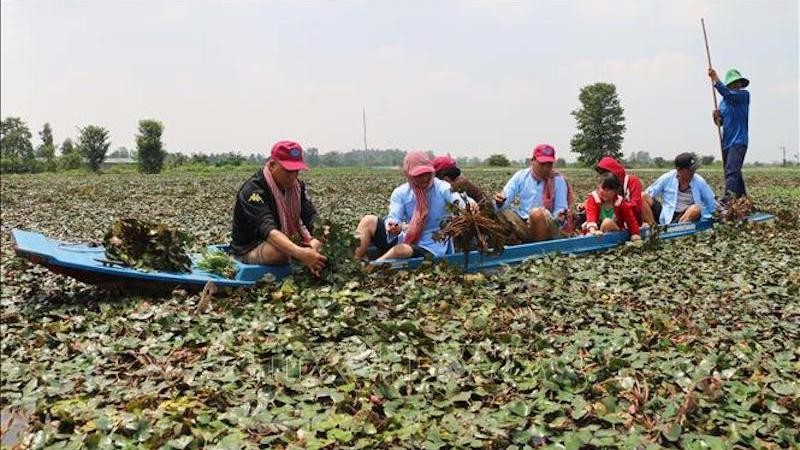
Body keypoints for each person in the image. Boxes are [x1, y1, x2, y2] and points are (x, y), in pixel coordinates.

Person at [354, 151, 474, 260]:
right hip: (407, 237)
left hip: (432, 245)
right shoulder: (401, 193)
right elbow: (394, 216)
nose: (425, 178)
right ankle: (356, 260)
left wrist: (470, 204)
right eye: (419, 175)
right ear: (408, 175)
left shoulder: (442, 187)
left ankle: (372, 268)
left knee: (399, 251)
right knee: (368, 221)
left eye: (427, 173)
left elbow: (457, 199)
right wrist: (392, 226)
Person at [230, 140, 327, 275]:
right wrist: (300, 252)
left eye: (296, 171)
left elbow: (310, 216)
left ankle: (301, 253)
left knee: (322, 241)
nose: (293, 177)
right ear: (272, 165)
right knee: (280, 252)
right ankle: (298, 254)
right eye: (288, 171)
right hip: (252, 247)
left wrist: (324, 233)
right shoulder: (253, 190)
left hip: (285, 239)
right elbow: (268, 230)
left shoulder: (298, 187)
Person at [494, 144, 574, 242]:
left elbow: (560, 207)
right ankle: (517, 239)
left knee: (537, 214)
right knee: (499, 213)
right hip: (525, 222)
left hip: (549, 226)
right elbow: (505, 196)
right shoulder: (521, 176)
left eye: (549, 164)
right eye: (542, 164)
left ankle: (539, 246)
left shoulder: (558, 180)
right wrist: (500, 201)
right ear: (533, 161)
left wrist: (560, 217)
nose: (545, 168)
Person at [709, 67, 750, 199]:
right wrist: (716, 118)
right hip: (726, 143)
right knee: (735, 173)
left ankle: (727, 201)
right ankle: (743, 200)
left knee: (731, 172)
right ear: (730, 84)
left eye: (739, 83)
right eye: (734, 83)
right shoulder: (723, 103)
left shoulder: (743, 95)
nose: (737, 85)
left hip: (739, 141)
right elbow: (721, 123)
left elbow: (727, 93)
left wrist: (715, 79)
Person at [642, 153, 717, 225]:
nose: (693, 172)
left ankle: (678, 229)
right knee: (642, 196)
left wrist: (717, 215)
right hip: (667, 214)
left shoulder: (699, 181)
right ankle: (654, 228)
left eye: (694, 169)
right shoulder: (667, 178)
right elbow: (650, 192)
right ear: (679, 170)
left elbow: (711, 201)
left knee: (696, 208)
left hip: (685, 215)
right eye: (689, 170)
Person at [594, 156, 653, 225]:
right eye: (602, 174)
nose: (604, 176)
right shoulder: (606, 185)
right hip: (623, 217)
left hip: (638, 215)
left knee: (642, 196)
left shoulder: (632, 181)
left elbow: (636, 204)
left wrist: (619, 207)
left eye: (605, 173)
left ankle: (652, 227)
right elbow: (598, 198)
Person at [583, 173, 641, 241]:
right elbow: (591, 216)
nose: (605, 192)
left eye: (608, 190)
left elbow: (630, 220)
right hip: (595, 230)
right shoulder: (593, 199)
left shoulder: (620, 202)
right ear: (598, 187)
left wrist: (635, 233)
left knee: (607, 222)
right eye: (603, 188)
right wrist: (593, 230)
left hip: (614, 230)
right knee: (590, 234)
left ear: (615, 191)